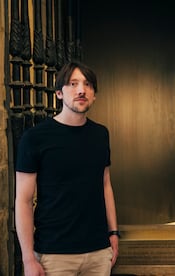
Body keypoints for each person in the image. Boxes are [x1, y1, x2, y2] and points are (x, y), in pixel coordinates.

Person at [15, 61, 119, 276]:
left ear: (94, 94)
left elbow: (105, 185)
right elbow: (23, 201)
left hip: (98, 252)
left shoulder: (101, 134)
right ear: (59, 93)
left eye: (88, 85)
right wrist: (27, 258)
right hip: (54, 254)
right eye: (73, 84)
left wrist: (114, 233)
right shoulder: (35, 138)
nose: (81, 90)